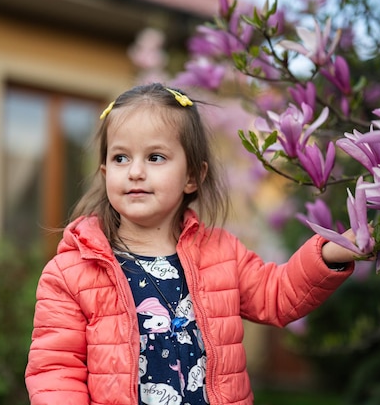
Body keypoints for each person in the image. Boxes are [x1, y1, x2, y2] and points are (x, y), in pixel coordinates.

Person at [25, 83, 361, 405]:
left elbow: (277, 295)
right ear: (104, 172)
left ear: (192, 177)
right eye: (120, 158)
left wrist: (329, 253)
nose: (135, 172)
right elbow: (56, 370)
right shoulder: (71, 273)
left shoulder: (221, 254)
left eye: (155, 157)